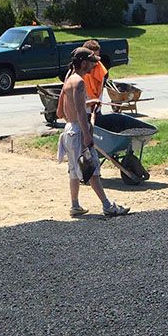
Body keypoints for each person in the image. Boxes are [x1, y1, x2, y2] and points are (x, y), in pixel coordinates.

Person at [55, 47, 129, 218]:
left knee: (74, 170)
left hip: (69, 130)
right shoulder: (80, 82)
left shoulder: (68, 80)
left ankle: (75, 206)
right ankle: (108, 206)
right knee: (92, 168)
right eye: (91, 62)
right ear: (83, 63)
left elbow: (62, 111)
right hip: (79, 130)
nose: (93, 65)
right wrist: (87, 135)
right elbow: (80, 111)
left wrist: (90, 102)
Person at [80, 39, 108, 114]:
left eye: (97, 56)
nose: (96, 60)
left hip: (96, 109)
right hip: (84, 111)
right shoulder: (80, 73)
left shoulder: (100, 69)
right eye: (93, 57)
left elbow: (99, 89)